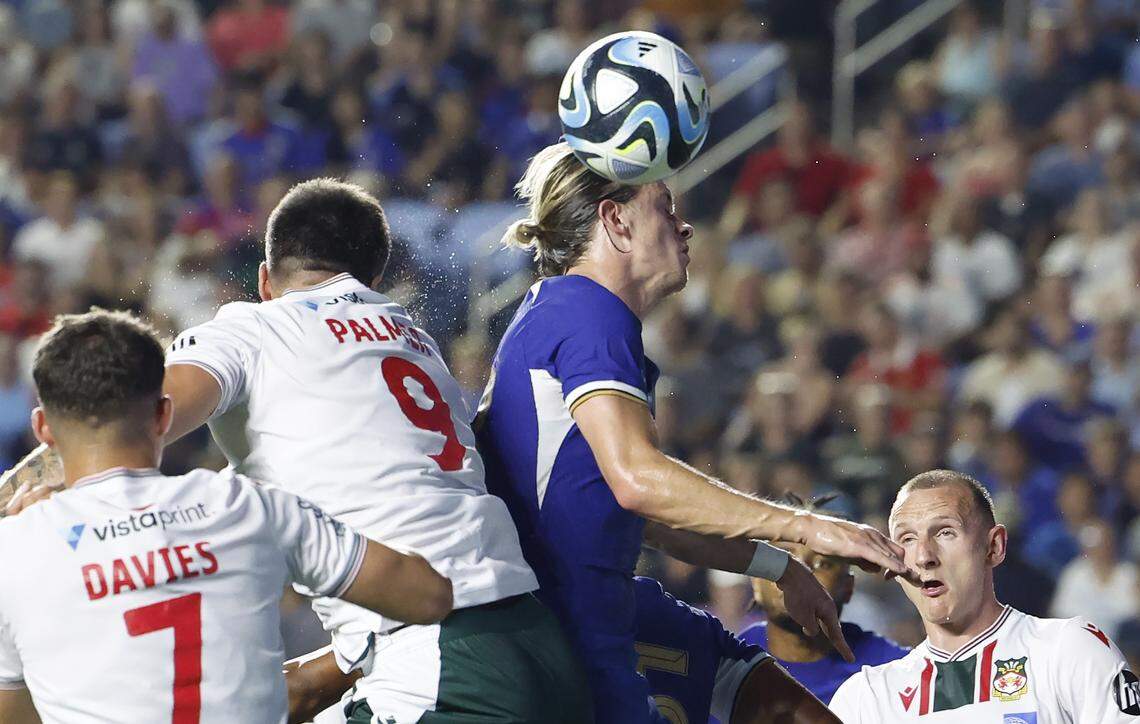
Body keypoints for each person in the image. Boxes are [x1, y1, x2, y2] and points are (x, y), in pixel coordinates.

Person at [3, 179, 590, 723]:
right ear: (372, 282)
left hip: (440, 664)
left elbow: (126, 417)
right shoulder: (415, 342)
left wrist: (39, 482)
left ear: (265, 280)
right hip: (536, 641)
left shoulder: (251, 329)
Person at [476, 142, 908, 723]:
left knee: (758, 687)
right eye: (664, 207)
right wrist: (806, 526)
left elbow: (644, 515)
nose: (684, 226)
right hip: (564, 635)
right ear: (615, 221)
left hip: (571, 621)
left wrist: (780, 567)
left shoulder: (563, 311)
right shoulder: (589, 312)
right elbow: (637, 481)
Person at [0, 309, 453, 723]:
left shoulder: (15, 549)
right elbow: (429, 597)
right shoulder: (245, 504)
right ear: (163, 415)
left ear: (43, 429)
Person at [830, 469, 1138, 722]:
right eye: (907, 539)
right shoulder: (866, 699)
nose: (924, 556)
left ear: (994, 547)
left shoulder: (1068, 651)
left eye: (945, 532)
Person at [741, 494, 909, 705]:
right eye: (783, 556)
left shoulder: (890, 671)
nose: (800, 572)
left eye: (823, 564)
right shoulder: (722, 664)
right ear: (756, 581)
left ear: (848, 588)